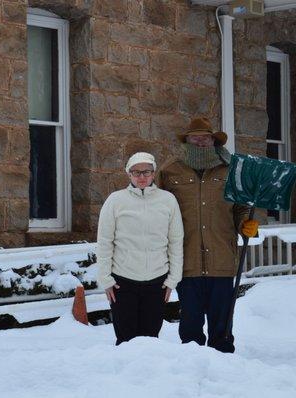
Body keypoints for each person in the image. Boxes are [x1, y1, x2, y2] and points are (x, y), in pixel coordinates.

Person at [157, 117, 259, 353]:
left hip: (221, 258)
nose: (201, 142)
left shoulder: (231, 168)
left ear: (214, 140)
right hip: (186, 259)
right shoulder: (170, 169)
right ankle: (192, 363)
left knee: (221, 322)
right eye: (196, 137)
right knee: (190, 321)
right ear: (187, 140)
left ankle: (224, 362)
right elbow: (158, 208)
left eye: (206, 137)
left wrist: (246, 223)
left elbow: (242, 207)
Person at [97, 152, 184, 345]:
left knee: (150, 339)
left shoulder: (168, 200)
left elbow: (176, 242)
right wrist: (106, 279)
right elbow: (104, 242)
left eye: (146, 172)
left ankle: (148, 375)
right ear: (129, 174)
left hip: (157, 282)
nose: (142, 177)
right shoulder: (115, 201)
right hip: (122, 282)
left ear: (153, 174)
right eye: (136, 172)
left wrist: (172, 280)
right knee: (125, 339)